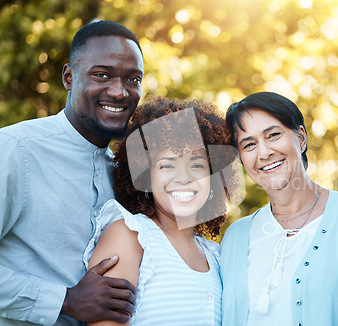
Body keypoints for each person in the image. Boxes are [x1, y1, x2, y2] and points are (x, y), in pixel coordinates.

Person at [0, 20, 144, 325]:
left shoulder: (127, 173)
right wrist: (65, 300)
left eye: (133, 79)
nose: (119, 92)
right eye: (101, 75)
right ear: (69, 76)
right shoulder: (15, 149)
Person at [85, 96, 242, 325]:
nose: (184, 177)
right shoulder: (130, 235)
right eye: (167, 165)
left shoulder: (216, 256)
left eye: (197, 165)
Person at [220, 91, 338, 326]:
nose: (264, 152)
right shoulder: (234, 237)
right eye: (249, 144)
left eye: (273, 135)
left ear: (301, 138)